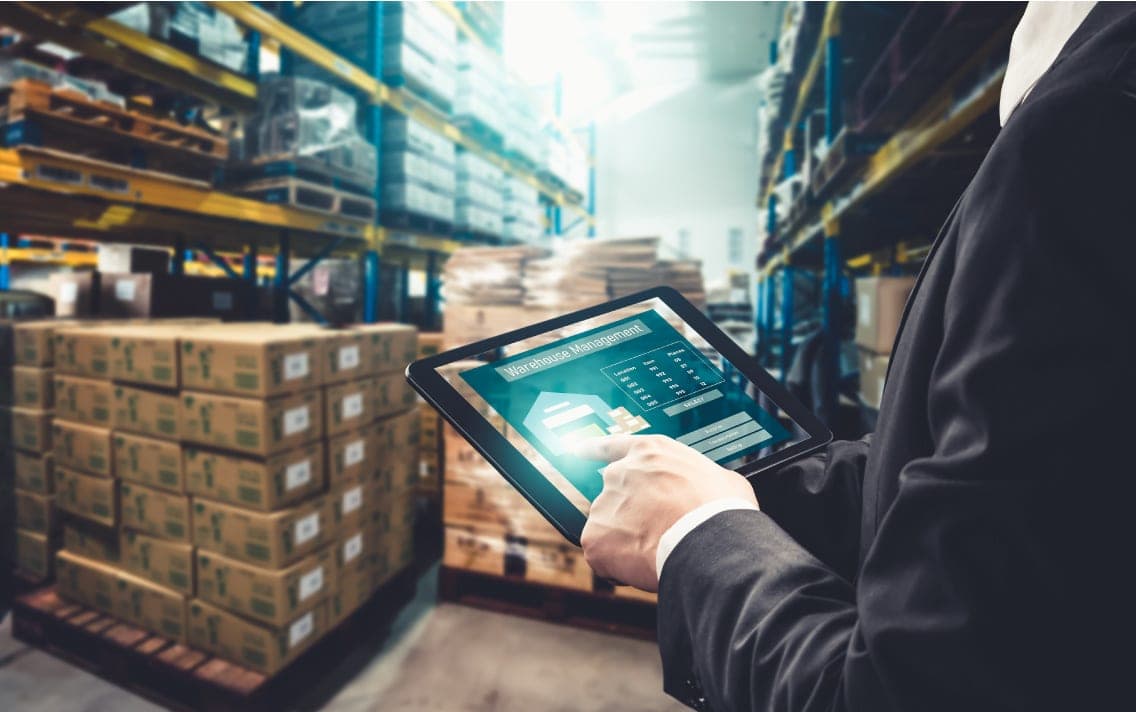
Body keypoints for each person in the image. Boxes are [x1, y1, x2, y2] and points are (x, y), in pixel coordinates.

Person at [578, 3, 1135, 710]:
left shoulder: (1091, 125)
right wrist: (735, 482)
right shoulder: (1080, 82)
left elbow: (901, 693)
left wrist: (695, 533)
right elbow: (988, 467)